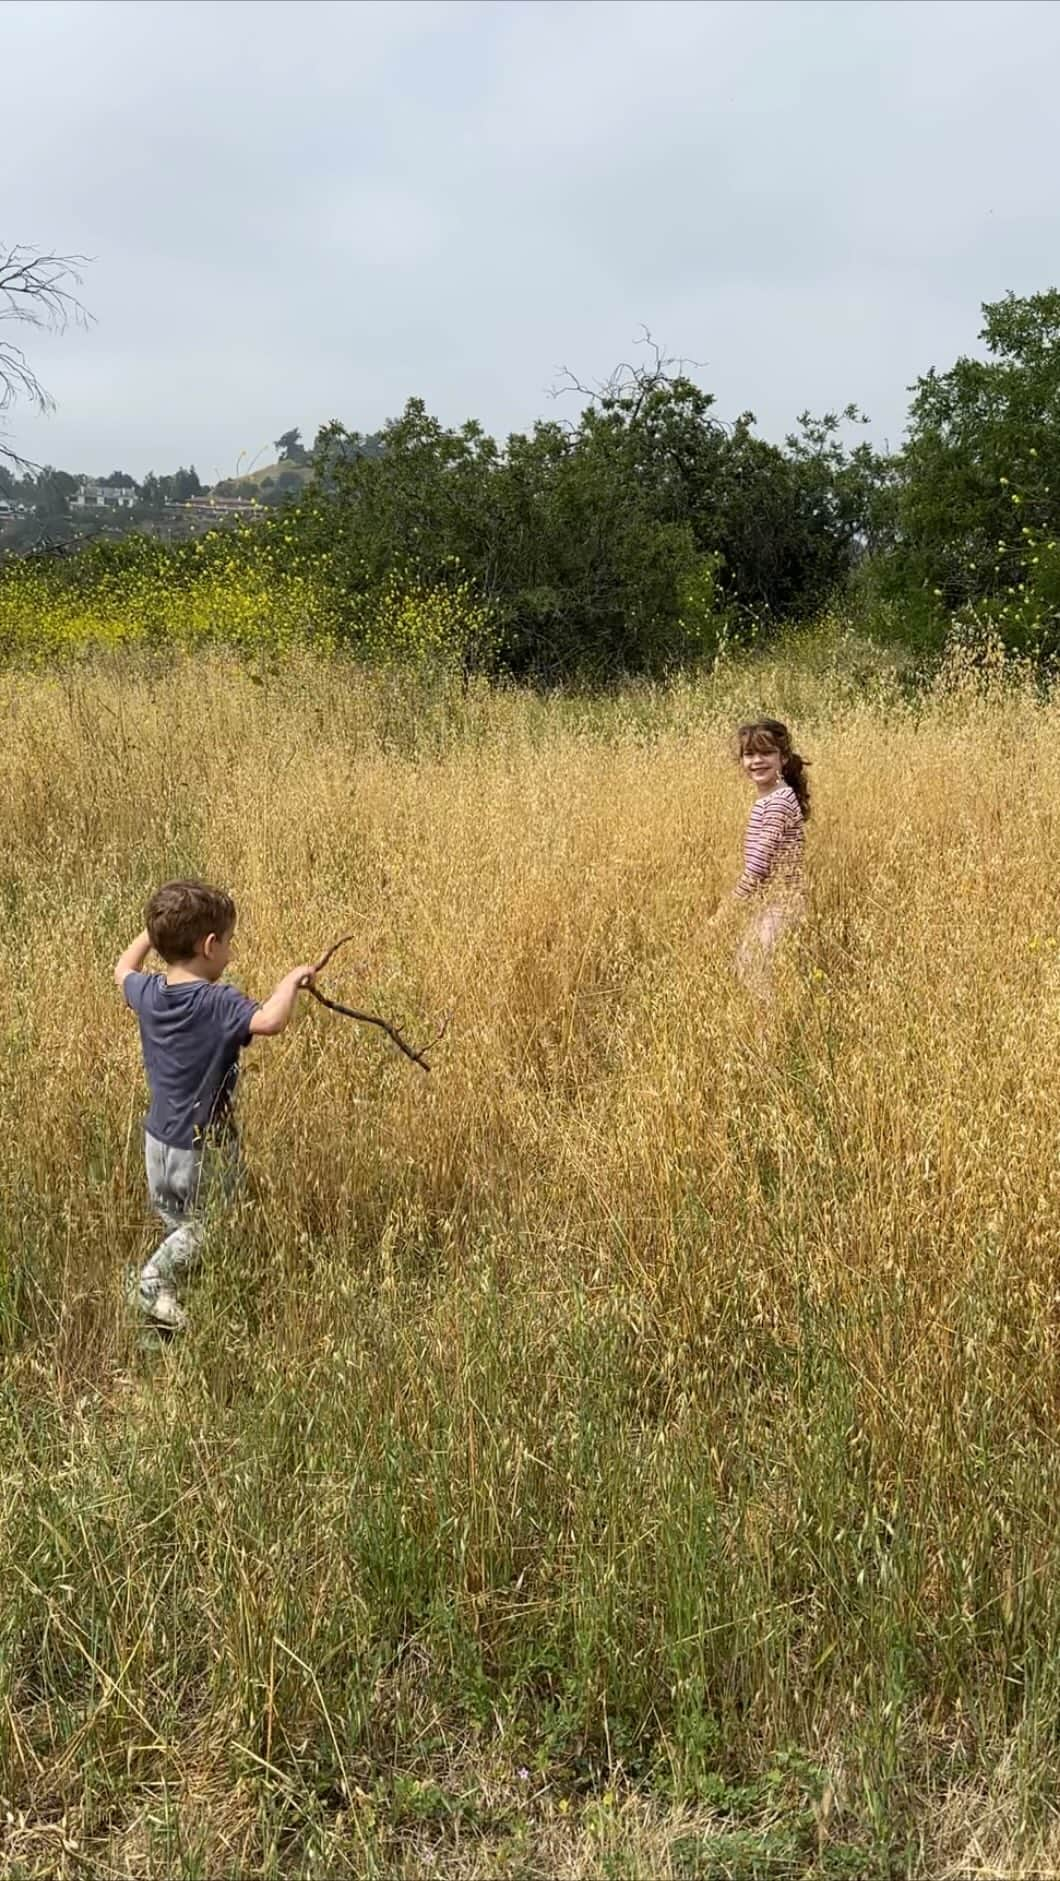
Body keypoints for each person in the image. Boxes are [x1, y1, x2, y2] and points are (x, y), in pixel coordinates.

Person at [114, 880, 319, 1331]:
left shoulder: (149, 993)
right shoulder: (217, 1001)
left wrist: (155, 932)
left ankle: (162, 1320)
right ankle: (151, 1281)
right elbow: (269, 1021)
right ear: (209, 946)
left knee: (180, 1226)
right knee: (215, 1225)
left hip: (158, 1141)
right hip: (204, 1145)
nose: (230, 952)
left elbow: (122, 968)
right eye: (228, 942)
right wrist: (291, 981)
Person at [709, 717, 810, 993]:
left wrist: (725, 911)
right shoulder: (772, 798)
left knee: (753, 966)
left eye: (766, 753)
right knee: (752, 967)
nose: (757, 761)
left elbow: (758, 867)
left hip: (782, 902)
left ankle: (768, 1034)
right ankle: (767, 1030)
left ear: (784, 758)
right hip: (771, 901)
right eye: (749, 754)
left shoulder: (778, 803)